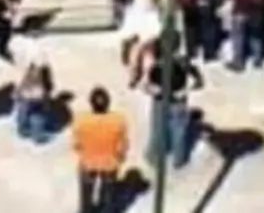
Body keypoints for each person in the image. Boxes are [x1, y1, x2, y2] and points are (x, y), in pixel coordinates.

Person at [143, 29, 204, 170]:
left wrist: (153, 90)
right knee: (179, 131)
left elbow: (146, 84)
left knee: (158, 129)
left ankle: (155, 157)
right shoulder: (183, 62)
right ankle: (179, 159)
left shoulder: (156, 63)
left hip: (160, 101)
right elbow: (199, 81)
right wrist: (186, 90)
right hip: (178, 100)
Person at [72, 87, 130, 213]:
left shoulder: (81, 120)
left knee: (86, 193)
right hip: (110, 162)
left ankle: (86, 209)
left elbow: (76, 145)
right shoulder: (118, 120)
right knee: (108, 194)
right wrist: (120, 158)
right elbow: (122, 146)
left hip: (88, 162)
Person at [12, 33, 55, 144]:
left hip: (23, 88)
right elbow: (46, 74)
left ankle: (22, 130)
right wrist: (49, 86)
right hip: (37, 91)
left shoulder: (18, 47)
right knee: (37, 113)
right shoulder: (40, 56)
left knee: (23, 109)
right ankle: (37, 135)